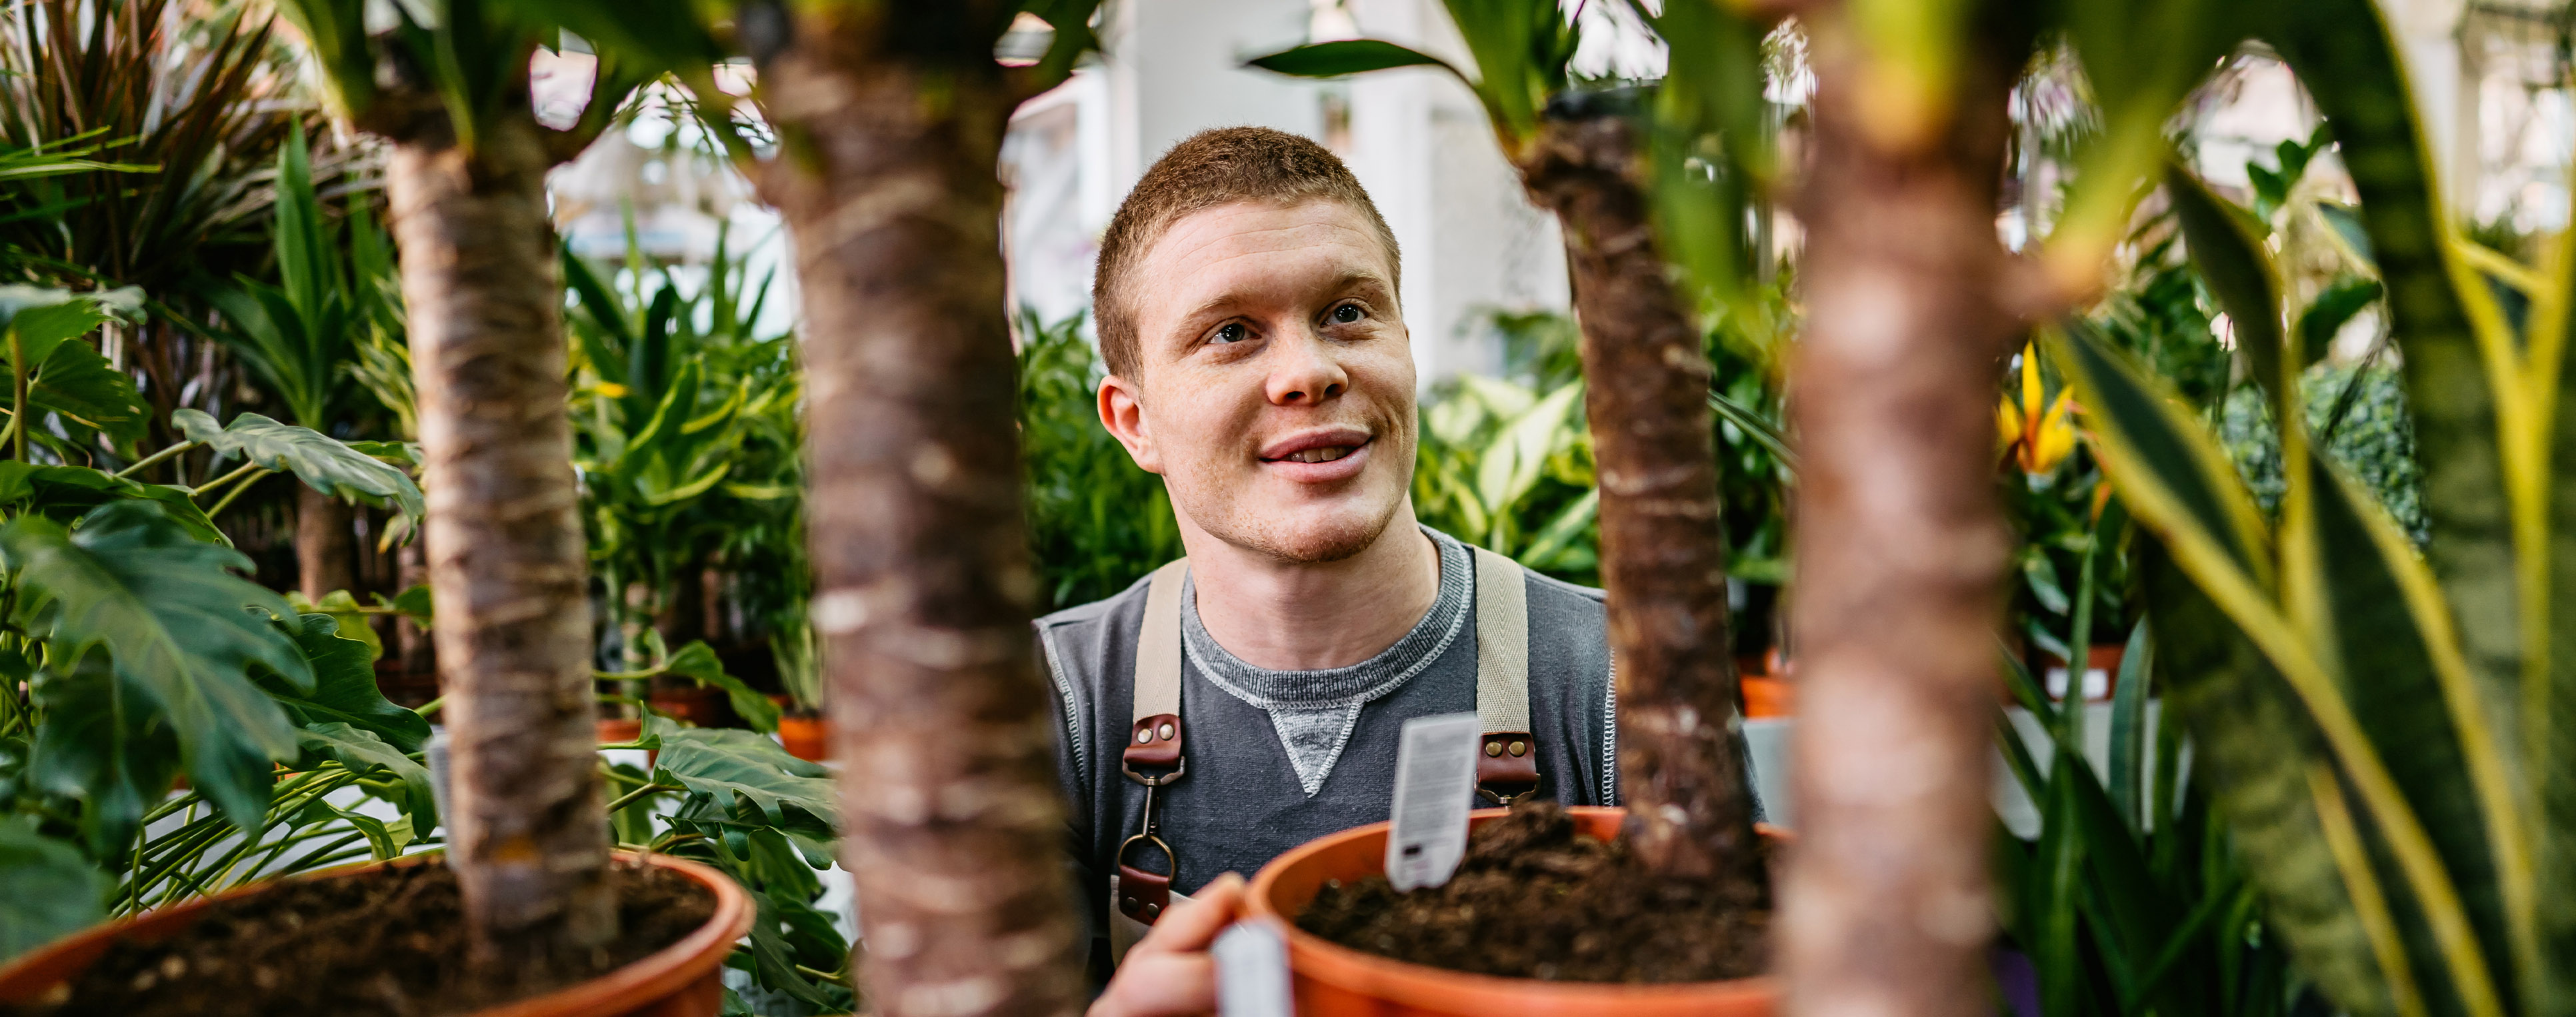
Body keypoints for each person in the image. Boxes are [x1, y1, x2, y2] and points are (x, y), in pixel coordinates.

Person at [1036, 127, 1619, 1017]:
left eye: (1348, 312)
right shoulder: (1059, 703)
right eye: (1233, 332)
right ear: (1133, 420)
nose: (1310, 371)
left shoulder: (1610, 678)